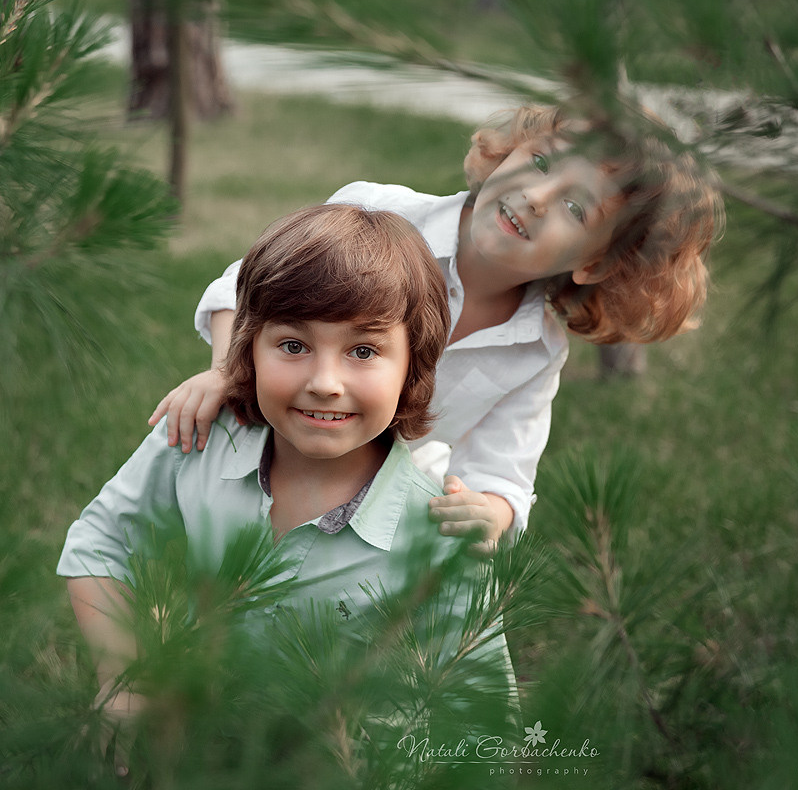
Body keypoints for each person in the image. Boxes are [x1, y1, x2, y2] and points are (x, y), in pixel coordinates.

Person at [150, 103, 723, 553]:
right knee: (194, 564)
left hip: (370, 506)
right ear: (508, 155)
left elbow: (505, 474)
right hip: (265, 438)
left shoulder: (535, 351)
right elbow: (242, 287)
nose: (537, 196)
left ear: (595, 264)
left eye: (578, 209)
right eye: (542, 162)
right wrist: (226, 372)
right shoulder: (386, 217)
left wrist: (489, 512)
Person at [59, 204, 512, 766]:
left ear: (414, 365)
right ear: (247, 347)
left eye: (363, 351)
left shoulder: (440, 535)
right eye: (293, 346)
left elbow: (483, 711)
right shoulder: (198, 441)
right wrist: (124, 680)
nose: (325, 383)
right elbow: (102, 541)